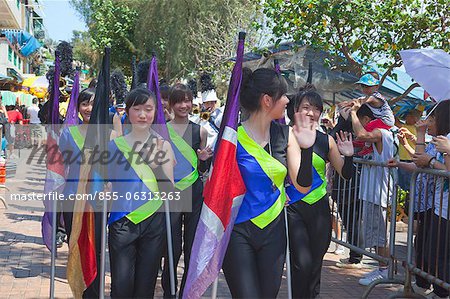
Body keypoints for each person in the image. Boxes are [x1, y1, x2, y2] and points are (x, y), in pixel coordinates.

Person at [222, 67, 316, 298]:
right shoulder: (231, 137)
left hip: (273, 231)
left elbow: (302, 185)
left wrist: (307, 148)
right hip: (237, 231)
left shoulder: (286, 135)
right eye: (282, 95)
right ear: (267, 100)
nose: (286, 100)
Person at [285, 86, 354, 298]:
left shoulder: (327, 140)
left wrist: (349, 156)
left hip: (319, 209)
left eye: (316, 108)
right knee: (301, 264)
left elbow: (345, 173)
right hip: (292, 207)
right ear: (296, 109)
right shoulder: (284, 135)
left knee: (315, 265)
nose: (311, 112)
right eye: (306, 107)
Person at [107, 88, 174, 298]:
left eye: (148, 109)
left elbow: (170, 189)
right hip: (122, 221)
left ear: (155, 112)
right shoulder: (113, 146)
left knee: (145, 286)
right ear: (127, 111)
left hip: (154, 221)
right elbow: (103, 186)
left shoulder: (163, 145)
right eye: (137, 109)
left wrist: (157, 165)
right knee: (121, 284)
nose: (143, 114)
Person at [387, 102, 449, 297]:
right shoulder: (440, 141)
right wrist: (420, 136)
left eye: (432, 118)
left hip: (443, 207)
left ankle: (441, 291)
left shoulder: (446, 141)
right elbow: (420, 161)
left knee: (439, 254)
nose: (428, 121)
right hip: (434, 205)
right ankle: (428, 286)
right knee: (427, 249)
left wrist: (434, 159)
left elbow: (444, 169)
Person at [161, 83, 212, 298]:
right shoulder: (162, 130)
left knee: (192, 247)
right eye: (179, 101)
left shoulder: (200, 130)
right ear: (171, 104)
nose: (184, 105)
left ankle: (187, 292)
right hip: (171, 195)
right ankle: (169, 292)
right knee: (172, 247)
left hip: (194, 194)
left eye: (187, 100)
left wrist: (203, 161)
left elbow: (203, 170)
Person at [350, 102, 394, 286]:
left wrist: (353, 111)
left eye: (359, 120)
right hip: (371, 192)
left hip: (378, 193)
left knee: (380, 235)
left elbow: (361, 134)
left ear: (367, 119)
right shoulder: (375, 135)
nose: (357, 125)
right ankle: (381, 268)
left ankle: (385, 271)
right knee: (375, 235)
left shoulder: (381, 133)